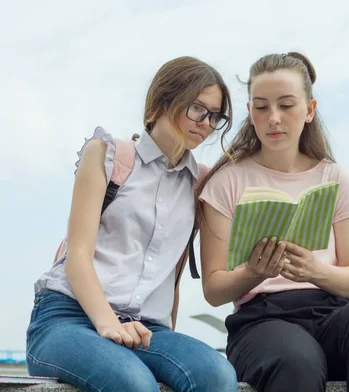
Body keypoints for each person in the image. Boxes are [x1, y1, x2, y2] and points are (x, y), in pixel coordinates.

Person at [26, 56, 238, 392]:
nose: (206, 124)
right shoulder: (107, 154)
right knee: (133, 383)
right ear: (163, 101)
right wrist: (109, 324)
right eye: (198, 109)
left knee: (217, 374)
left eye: (216, 116)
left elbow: (172, 273)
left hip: (147, 330)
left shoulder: (201, 184)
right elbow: (78, 255)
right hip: (67, 317)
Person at [198, 52, 349, 392]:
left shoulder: (334, 177)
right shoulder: (227, 182)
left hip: (332, 314)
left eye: (286, 105)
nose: (274, 118)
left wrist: (314, 270)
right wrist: (254, 271)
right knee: (297, 359)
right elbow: (213, 290)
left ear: (309, 110)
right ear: (250, 113)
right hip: (262, 322)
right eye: (262, 107)